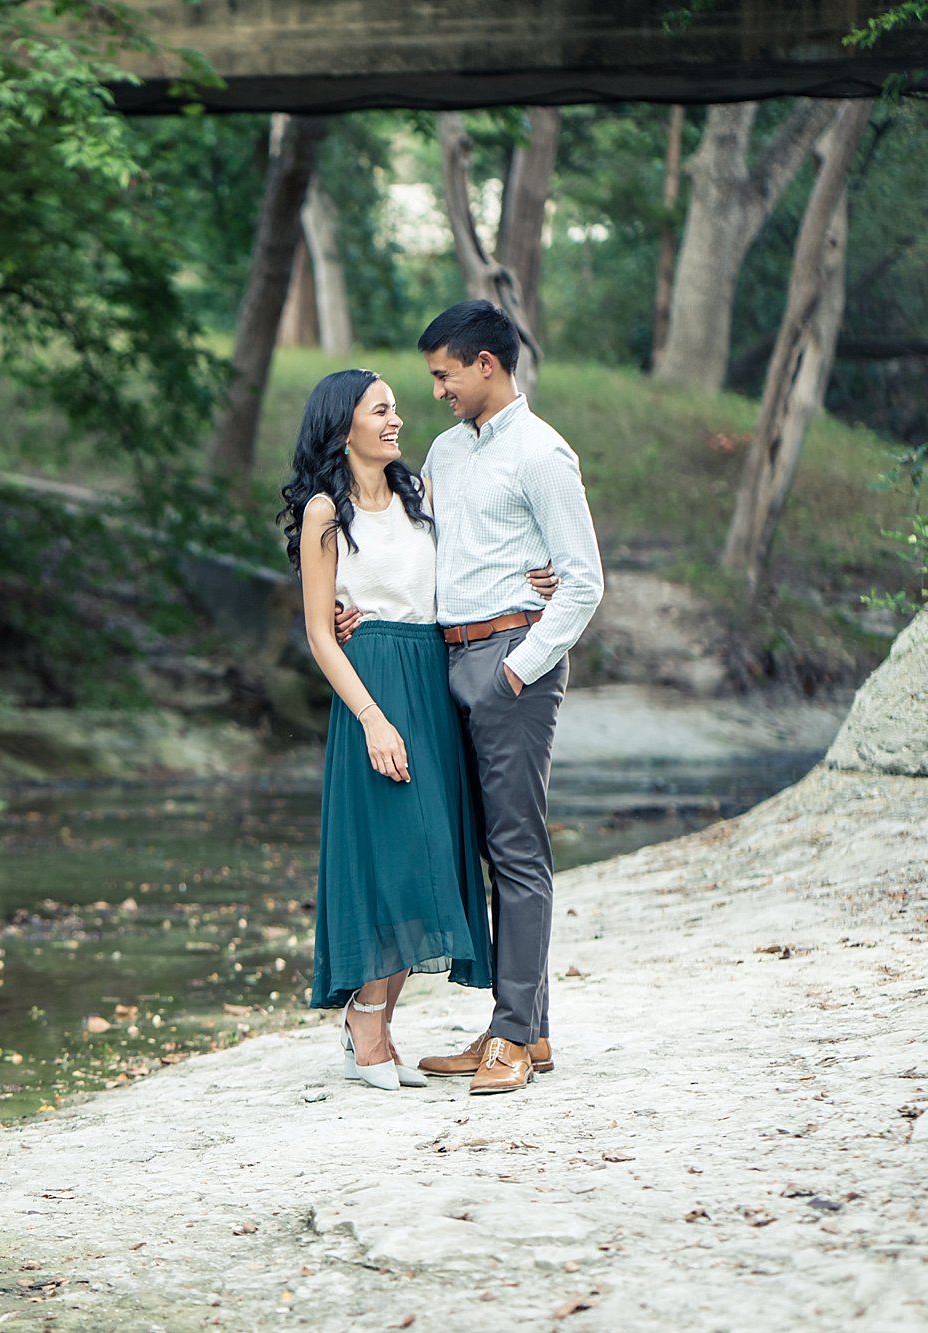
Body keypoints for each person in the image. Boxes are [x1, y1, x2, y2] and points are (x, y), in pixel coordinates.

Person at [281, 367, 558, 1091]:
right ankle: (367, 1021)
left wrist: (542, 574)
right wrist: (371, 716)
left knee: (435, 851)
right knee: (391, 858)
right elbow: (318, 631)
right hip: (372, 682)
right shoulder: (322, 513)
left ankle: (377, 1022)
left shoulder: (419, 491)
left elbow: (480, 550)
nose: (397, 419)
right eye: (382, 409)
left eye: (397, 407)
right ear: (345, 427)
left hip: (432, 676)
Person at [410, 300, 605, 1096]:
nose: (438, 390)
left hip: (508, 660)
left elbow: (584, 579)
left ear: (486, 364)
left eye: (444, 374)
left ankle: (513, 1038)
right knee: (485, 847)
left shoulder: (543, 454)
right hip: (448, 654)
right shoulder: (445, 452)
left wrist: (519, 669)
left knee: (518, 850)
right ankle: (526, 1026)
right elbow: (415, 542)